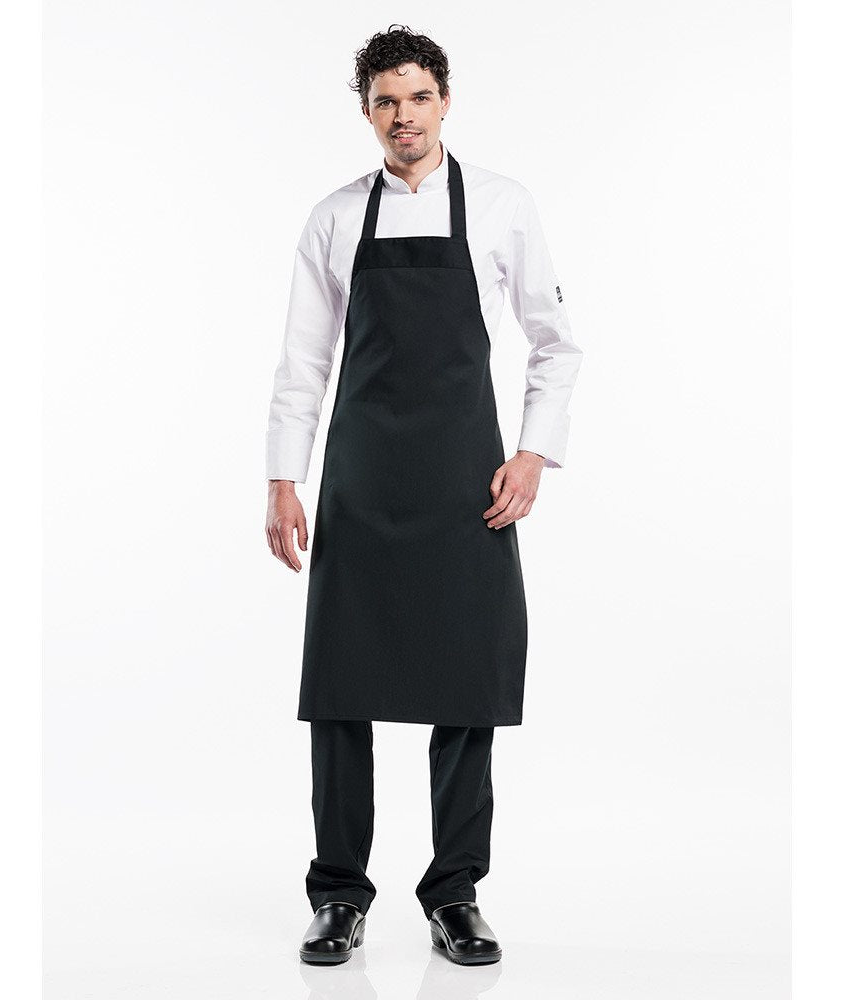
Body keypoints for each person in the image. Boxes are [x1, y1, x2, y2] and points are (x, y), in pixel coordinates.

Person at [264, 25, 583, 966]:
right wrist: (283, 477)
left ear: (445, 101)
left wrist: (533, 454)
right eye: (384, 102)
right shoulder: (334, 218)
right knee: (339, 689)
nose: (402, 116)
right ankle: (338, 893)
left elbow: (556, 341)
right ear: (366, 112)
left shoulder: (503, 205)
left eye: (417, 97)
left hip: (462, 484)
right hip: (361, 481)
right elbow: (303, 360)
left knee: (468, 686)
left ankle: (455, 894)